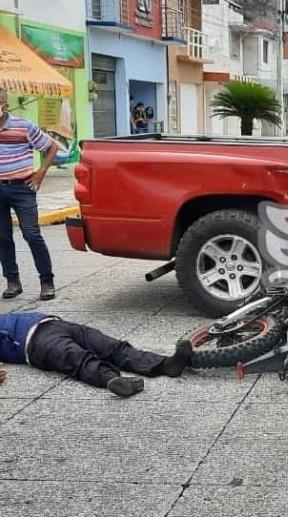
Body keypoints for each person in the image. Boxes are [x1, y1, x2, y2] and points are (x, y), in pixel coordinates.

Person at [0, 312, 193, 397]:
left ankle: (165, 364)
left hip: (53, 323)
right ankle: (112, 380)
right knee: (76, 358)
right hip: (33, 342)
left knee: (110, 345)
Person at [0, 88, 60, 301]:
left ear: (4, 103)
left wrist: (41, 173)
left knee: (31, 233)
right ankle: (12, 281)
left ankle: (47, 281)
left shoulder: (23, 126)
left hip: (22, 188)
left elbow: (52, 146)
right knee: (3, 237)